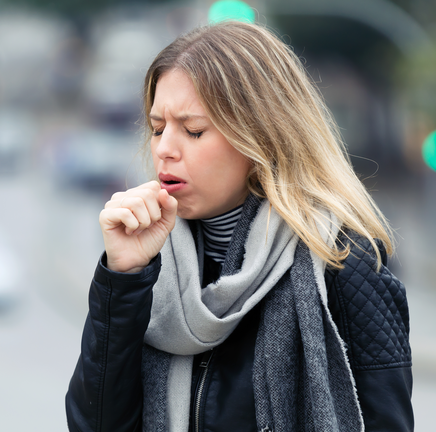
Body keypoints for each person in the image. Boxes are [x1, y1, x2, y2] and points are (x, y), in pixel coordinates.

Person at [66, 20, 413, 432]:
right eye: (158, 128)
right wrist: (122, 278)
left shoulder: (345, 265)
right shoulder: (148, 264)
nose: (164, 150)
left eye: (193, 131)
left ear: (260, 136)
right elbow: (94, 425)